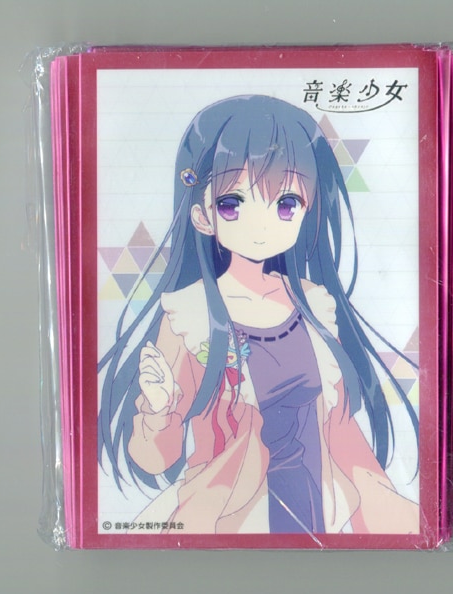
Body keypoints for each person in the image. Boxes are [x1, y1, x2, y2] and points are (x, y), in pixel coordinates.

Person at [99, 95, 419, 535]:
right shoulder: (188, 315)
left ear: (307, 210)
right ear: (202, 216)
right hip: (226, 523)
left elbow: (343, 438)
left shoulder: (315, 306)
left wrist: (400, 525)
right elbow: (156, 459)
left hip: (315, 515)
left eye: (286, 204)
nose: (261, 225)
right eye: (232, 204)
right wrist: (159, 409)